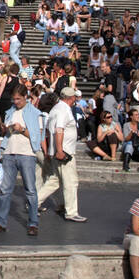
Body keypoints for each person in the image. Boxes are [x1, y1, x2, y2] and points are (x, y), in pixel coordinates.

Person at [0, 85, 43, 236]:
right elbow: (6, 132)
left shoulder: (36, 114)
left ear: (26, 97)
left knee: (30, 190)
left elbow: (37, 137)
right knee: (5, 190)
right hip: (9, 152)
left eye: (18, 99)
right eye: (14, 99)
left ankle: (33, 223)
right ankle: (1, 222)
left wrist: (22, 129)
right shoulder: (10, 112)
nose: (16, 102)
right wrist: (4, 128)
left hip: (27, 154)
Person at [42, 88, 85, 221]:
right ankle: (71, 212)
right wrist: (60, 150)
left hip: (56, 150)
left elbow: (51, 131)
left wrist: (52, 149)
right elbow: (59, 130)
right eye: (74, 98)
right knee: (71, 181)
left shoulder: (55, 109)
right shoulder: (64, 110)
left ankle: (34, 202)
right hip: (64, 152)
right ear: (71, 98)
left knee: (54, 181)